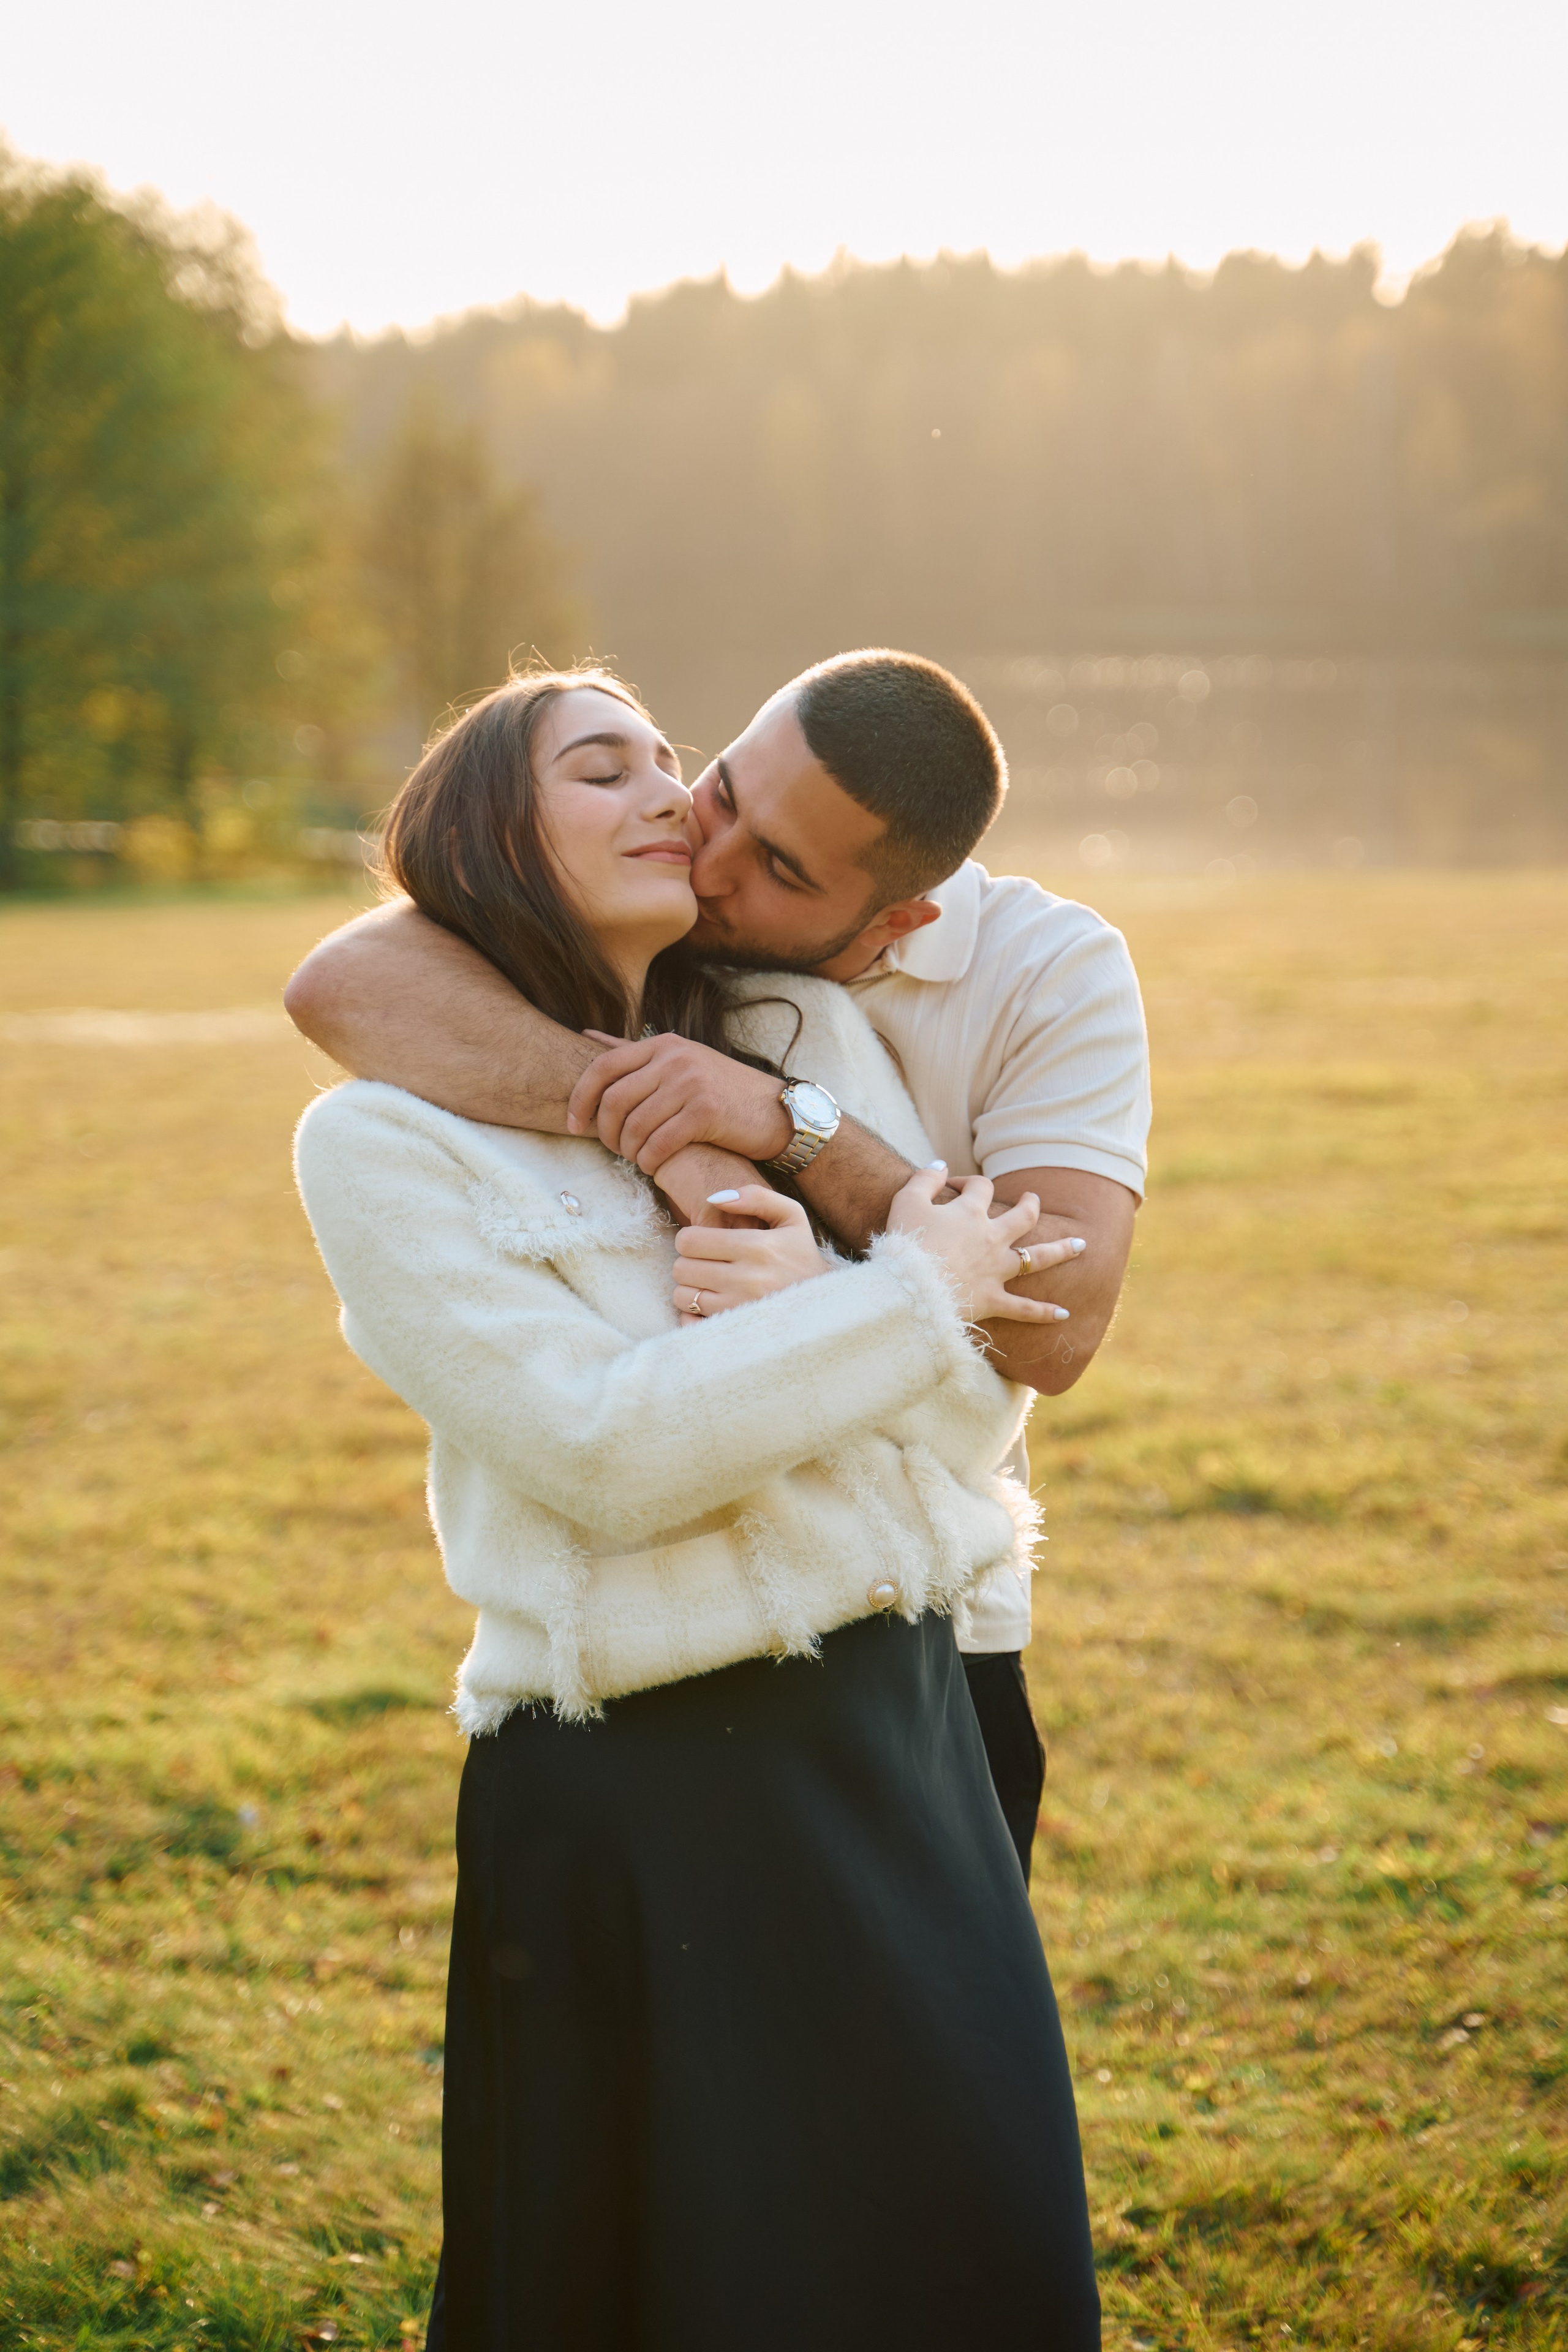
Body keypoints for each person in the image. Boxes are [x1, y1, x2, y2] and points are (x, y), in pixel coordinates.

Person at [293, 668, 1102, 2347]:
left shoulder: (797, 1039)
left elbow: (966, 1410)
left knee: (972, 2259)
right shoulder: (380, 1146)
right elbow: (604, 1457)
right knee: (677, 2287)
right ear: (489, 833)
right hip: (639, 1792)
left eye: (675, 759)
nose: (676, 797)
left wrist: (823, 1274)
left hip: (900, 1742)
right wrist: (884, 1302)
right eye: (615, 768)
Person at [286, 647, 1152, 1879]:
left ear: (896, 919)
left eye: (779, 869)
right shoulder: (660, 944)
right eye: (723, 793)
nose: (704, 853)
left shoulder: (1010, 981)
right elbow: (344, 978)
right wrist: (666, 1129)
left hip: (926, 1643)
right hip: (632, 1716)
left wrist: (789, 1128)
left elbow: (1048, 1330)